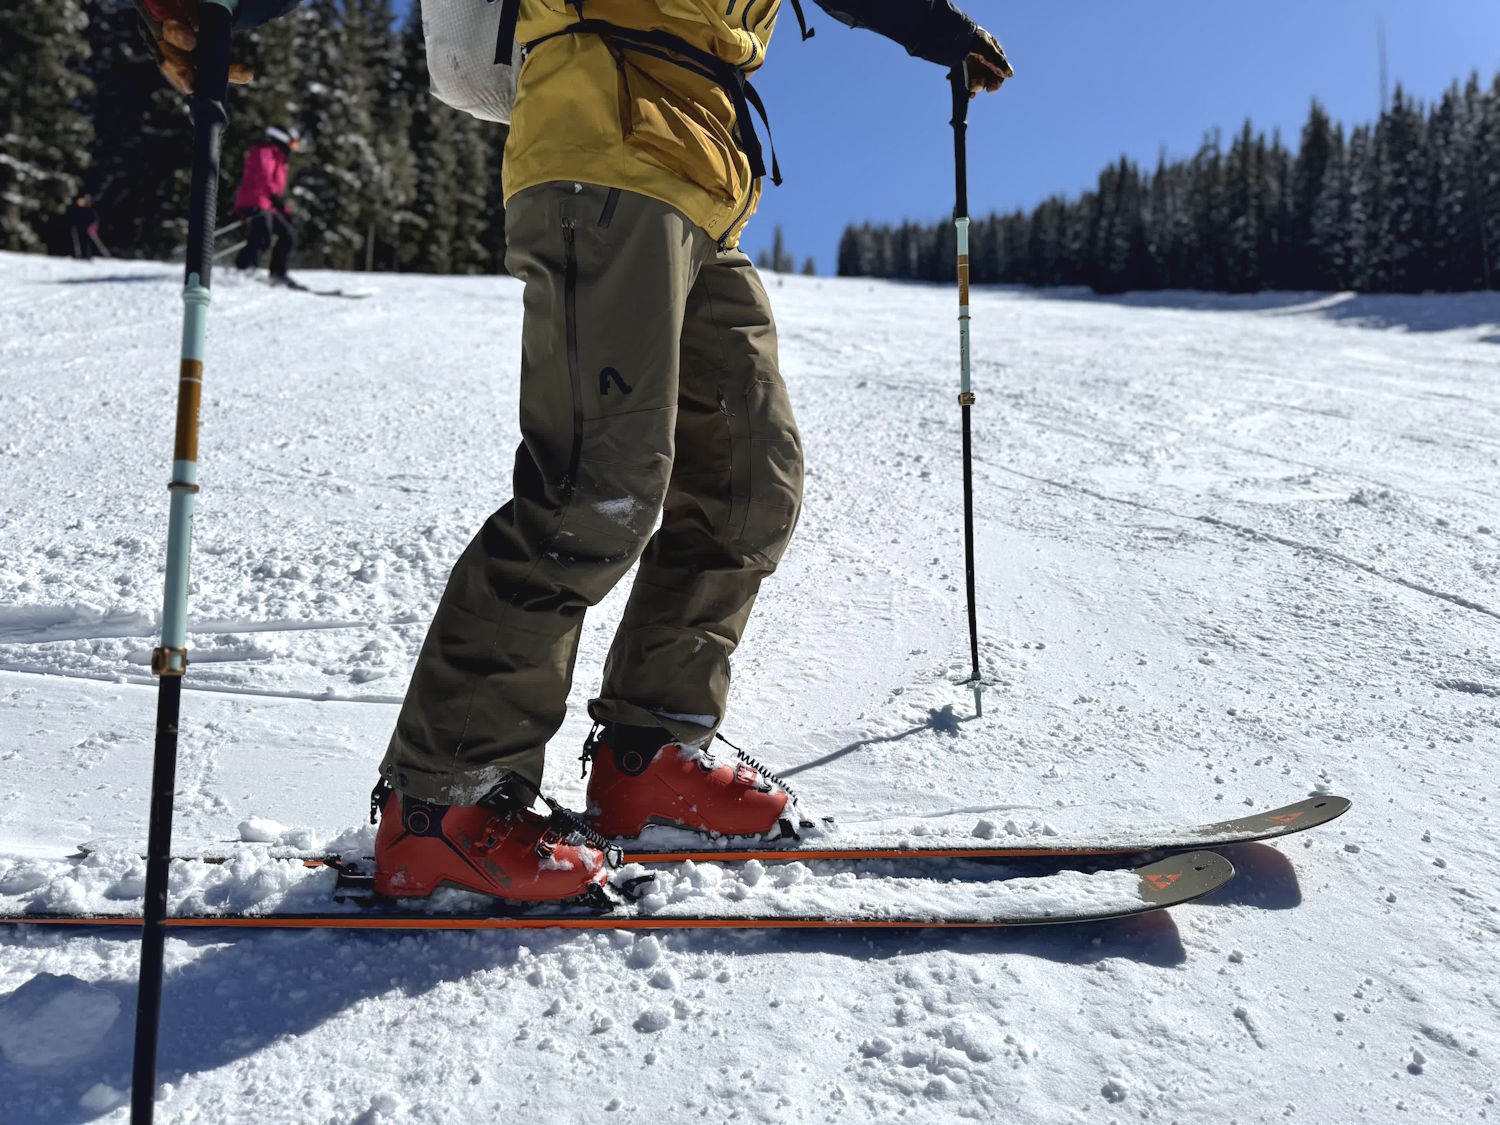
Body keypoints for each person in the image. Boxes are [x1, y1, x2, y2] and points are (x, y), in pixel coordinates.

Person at [135, 0, 1012, 905]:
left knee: (749, 487)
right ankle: (446, 807)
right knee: (596, 488)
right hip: (604, 141)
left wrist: (937, 30)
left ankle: (651, 753)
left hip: (707, 178)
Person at [232, 125, 300, 282]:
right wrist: (276, 199)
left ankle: (278, 273)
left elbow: (276, 186)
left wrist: (283, 207)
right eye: (292, 144)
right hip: (253, 200)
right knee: (263, 235)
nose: (293, 149)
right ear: (282, 139)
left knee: (288, 235)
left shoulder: (280, 158)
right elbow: (263, 177)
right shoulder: (263, 151)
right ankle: (245, 267)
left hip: (267, 203)